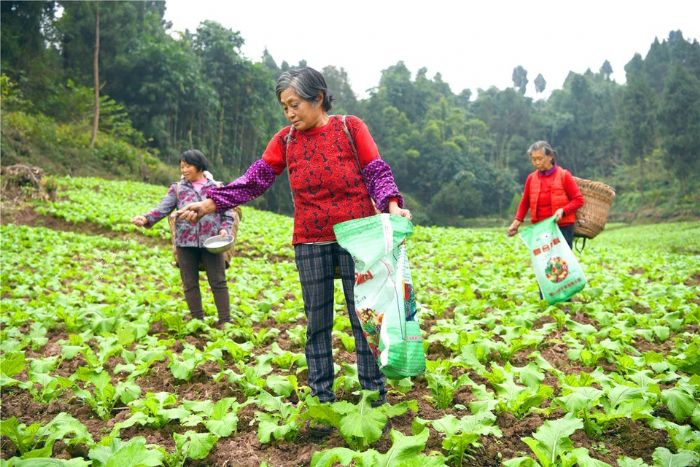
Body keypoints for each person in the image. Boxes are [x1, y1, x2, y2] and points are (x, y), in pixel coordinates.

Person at [178, 67, 411, 406]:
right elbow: (254, 179)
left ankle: (374, 396)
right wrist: (211, 203)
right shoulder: (285, 141)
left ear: (318, 98)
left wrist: (391, 204)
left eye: (295, 104)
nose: (289, 113)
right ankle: (321, 397)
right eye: (284, 107)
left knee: (365, 319)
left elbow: (376, 169)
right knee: (317, 323)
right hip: (310, 240)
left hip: (357, 237)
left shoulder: (350, 127)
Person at [132, 149, 234, 325]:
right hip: (185, 241)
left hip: (212, 241)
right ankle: (197, 321)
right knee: (189, 283)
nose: (184, 170)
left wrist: (225, 229)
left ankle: (225, 321)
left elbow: (228, 213)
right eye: (182, 167)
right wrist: (147, 218)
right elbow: (163, 208)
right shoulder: (178, 188)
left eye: (188, 166)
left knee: (218, 281)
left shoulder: (217, 188)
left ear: (199, 166)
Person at [507, 140, 584, 247]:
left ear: (550, 156)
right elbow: (525, 202)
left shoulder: (564, 175)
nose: (537, 163)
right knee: (543, 262)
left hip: (562, 227)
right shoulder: (531, 178)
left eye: (540, 158)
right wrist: (516, 222)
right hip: (540, 228)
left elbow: (578, 200)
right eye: (534, 159)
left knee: (561, 263)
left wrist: (563, 211)